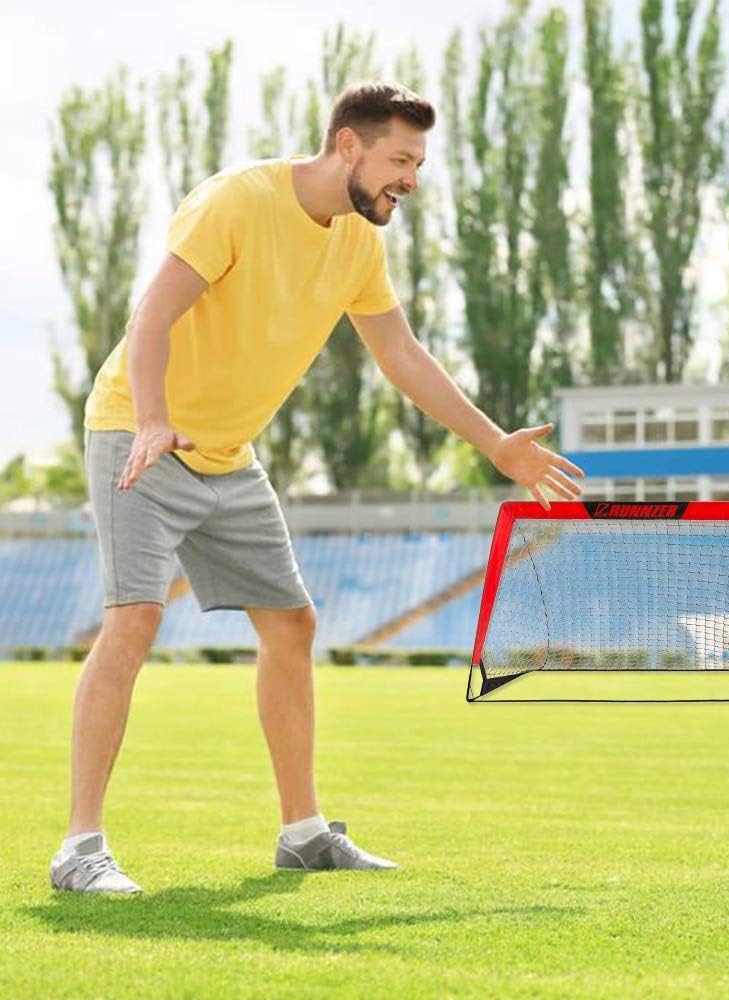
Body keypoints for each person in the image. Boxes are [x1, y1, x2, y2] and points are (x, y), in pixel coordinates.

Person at [52, 82, 584, 893]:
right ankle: (80, 848)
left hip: (228, 453)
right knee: (133, 620)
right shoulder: (238, 201)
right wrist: (154, 420)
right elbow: (151, 316)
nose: (410, 178)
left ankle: (303, 833)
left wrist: (494, 445)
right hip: (140, 433)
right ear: (348, 146)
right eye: (400, 159)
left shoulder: (357, 244)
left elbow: (402, 355)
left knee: (293, 625)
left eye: (417, 163)